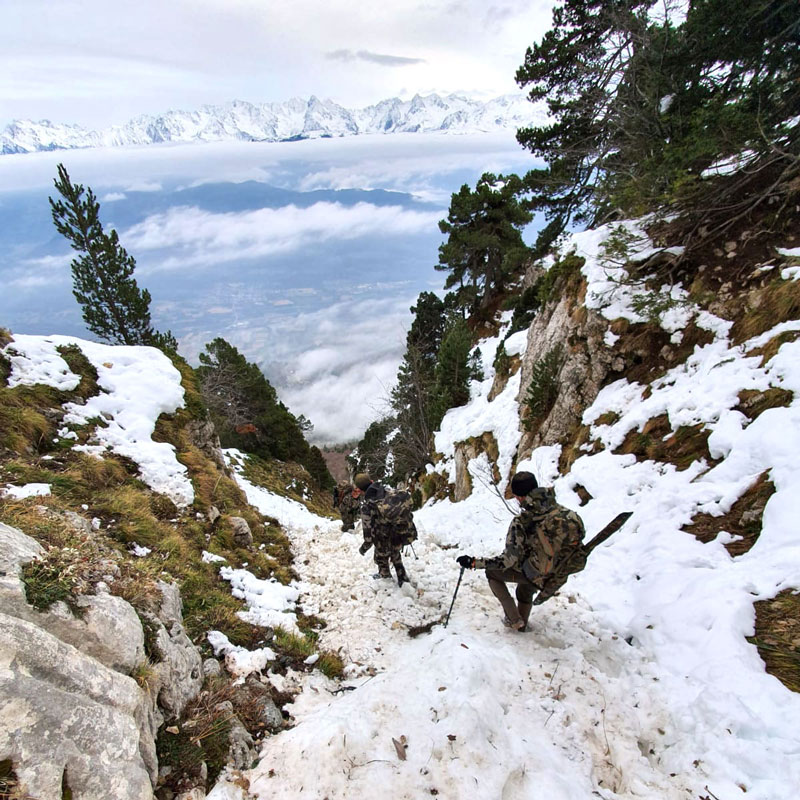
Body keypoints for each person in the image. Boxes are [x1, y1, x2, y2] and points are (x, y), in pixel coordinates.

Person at [456, 471, 585, 631]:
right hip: (557, 573)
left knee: (492, 574)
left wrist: (475, 562)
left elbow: (507, 561)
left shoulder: (522, 522)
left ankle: (514, 619)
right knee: (525, 585)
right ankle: (522, 623)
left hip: (537, 574)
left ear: (519, 497)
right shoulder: (567, 515)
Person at [354, 472, 413, 587]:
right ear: (371, 482)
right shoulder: (387, 491)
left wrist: (364, 548)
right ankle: (403, 578)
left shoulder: (367, 506)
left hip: (382, 538)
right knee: (395, 554)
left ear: (360, 491)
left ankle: (385, 578)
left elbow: (368, 536)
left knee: (381, 556)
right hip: (397, 532)